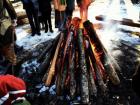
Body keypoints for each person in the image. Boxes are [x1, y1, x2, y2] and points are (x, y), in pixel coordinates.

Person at [0, 0, 19, 65]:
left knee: (8, 45)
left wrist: (14, 19)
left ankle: (13, 63)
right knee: (3, 48)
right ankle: (7, 59)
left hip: (3, 25)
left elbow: (9, 6)